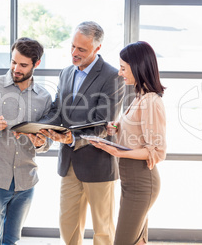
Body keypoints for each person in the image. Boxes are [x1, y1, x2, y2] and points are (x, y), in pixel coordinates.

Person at [40, 21, 125, 245]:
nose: (74, 53)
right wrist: (42, 127)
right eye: (73, 46)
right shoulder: (66, 73)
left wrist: (72, 138)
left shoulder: (112, 76)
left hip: (98, 163)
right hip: (68, 163)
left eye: (81, 49)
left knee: (103, 229)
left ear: (97, 48)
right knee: (68, 225)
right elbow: (57, 110)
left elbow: (104, 123)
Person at [0, 37, 53, 245]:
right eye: (13, 62)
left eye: (23, 64)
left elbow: (48, 141)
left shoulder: (44, 98)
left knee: (11, 240)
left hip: (25, 182)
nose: (16, 68)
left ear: (36, 64)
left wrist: (40, 142)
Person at [90, 41, 167, 245]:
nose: (119, 72)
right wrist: (116, 130)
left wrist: (118, 152)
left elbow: (157, 151)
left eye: (123, 68)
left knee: (123, 241)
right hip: (131, 182)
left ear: (138, 67)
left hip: (142, 183)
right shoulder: (139, 98)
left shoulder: (151, 101)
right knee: (138, 242)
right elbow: (137, 138)